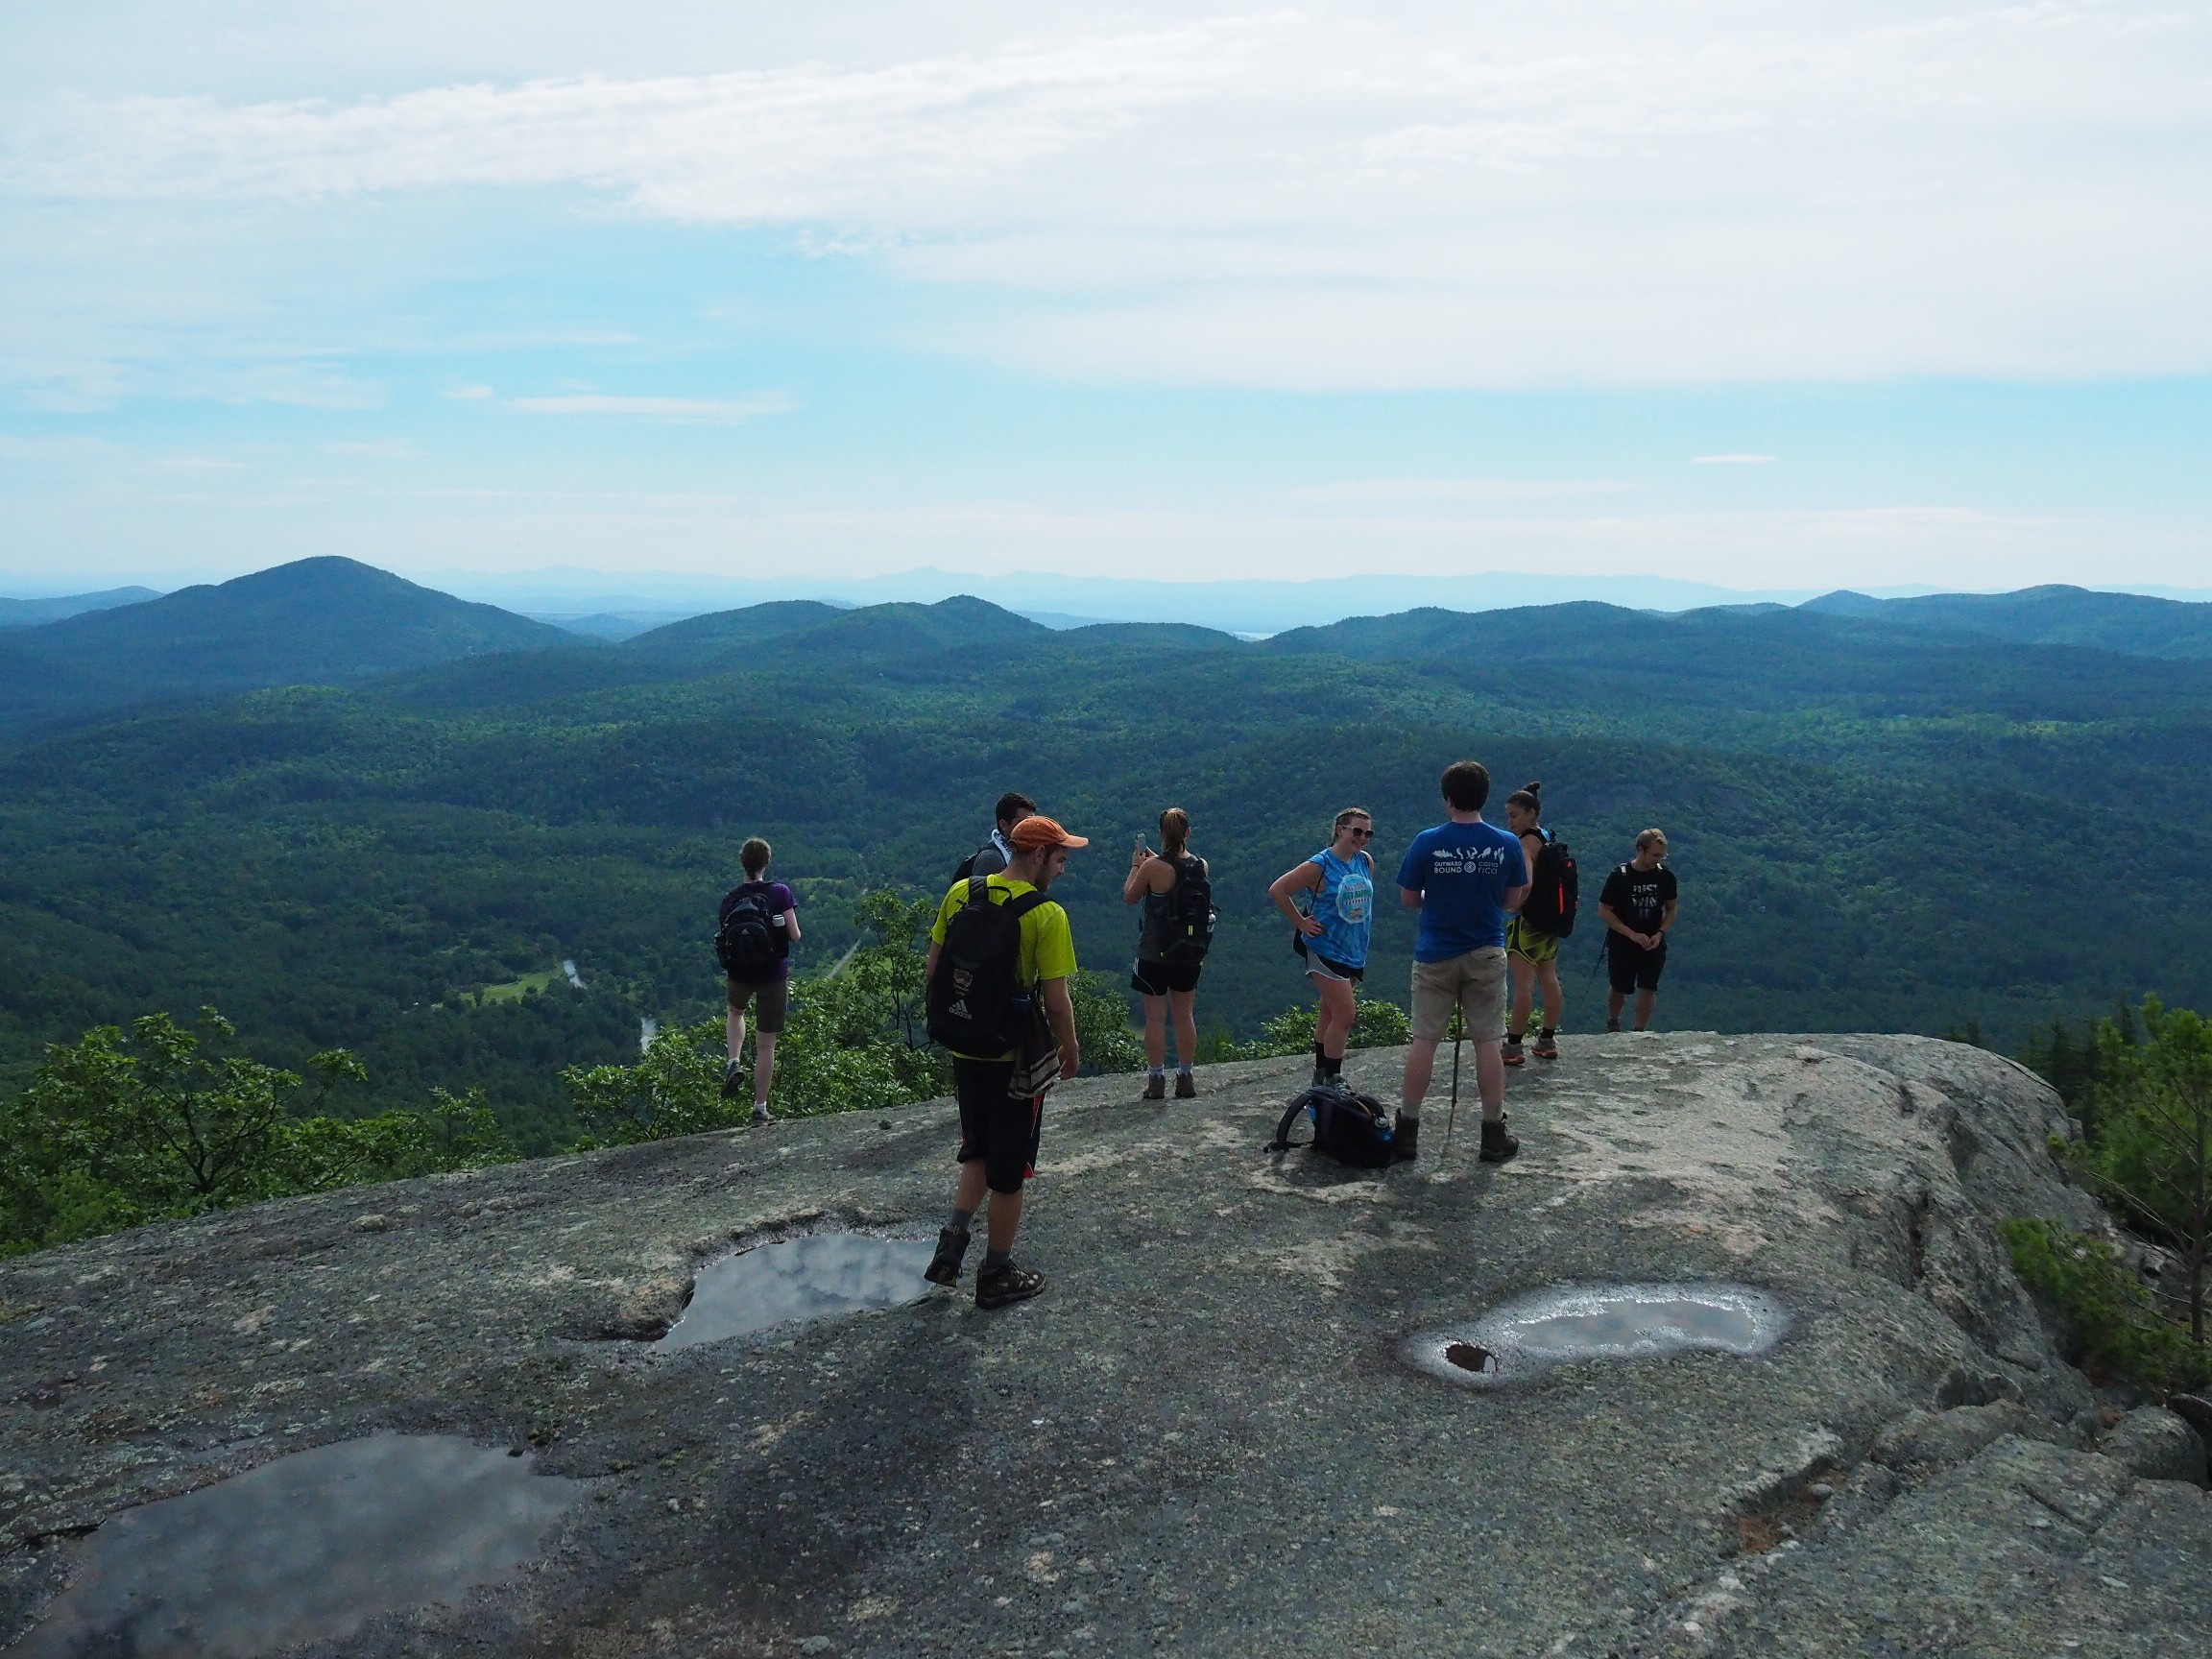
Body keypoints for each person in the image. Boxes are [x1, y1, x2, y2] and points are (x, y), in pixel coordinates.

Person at [923, 814, 1087, 1310]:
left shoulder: (963, 893)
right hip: (1012, 1055)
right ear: (1037, 855)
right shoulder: (1046, 914)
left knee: (976, 1147)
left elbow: (934, 970)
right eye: (1060, 859)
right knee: (1010, 1170)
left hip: (964, 1045)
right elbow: (1056, 1001)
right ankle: (995, 1272)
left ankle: (951, 1246)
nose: (1062, 869)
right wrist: (1069, 1047)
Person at [1394, 761, 1529, 1164]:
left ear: (1447, 798)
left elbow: (1408, 898)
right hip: (1485, 950)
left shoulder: (1427, 841)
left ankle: (1406, 1133)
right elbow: (1512, 900)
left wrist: (1435, 901)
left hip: (1435, 952)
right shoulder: (1507, 843)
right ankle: (1492, 1133)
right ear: (1484, 797)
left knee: (1424, 1041)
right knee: (1487, 1042)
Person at [1267, 807, 1378, 1089]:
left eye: (1368, 833)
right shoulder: (1320, 865)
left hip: (1354, 949)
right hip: (1325, 948)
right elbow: (1278, 889)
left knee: (1329, 1012)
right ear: (1340, 830)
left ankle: (1320, 1072)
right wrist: (1301, 923)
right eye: (1357, 831)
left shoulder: (1364, 861)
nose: (1362, 838)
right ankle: (1332, 1077)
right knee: (1345, 1014)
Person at [1125, 807, 1209, 1099]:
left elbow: (1130, 896)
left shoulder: (1151, 868)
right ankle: (1185, 1077)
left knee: (1155, 1019)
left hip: (1154, 953)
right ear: (1188, 833)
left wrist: (1136, 865)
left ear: (1161, 834)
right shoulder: (1201, 866)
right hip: (1189, 952)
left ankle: (1156, 1079)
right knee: (1184, 1015)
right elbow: (1179, 873)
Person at [718, 837, 801, 1125]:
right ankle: (759, 1108)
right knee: (766, 1045)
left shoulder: (731, 898)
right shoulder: (779, 892)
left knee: (735, 1012)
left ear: (743, 863)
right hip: (772, 974)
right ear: (766, 862)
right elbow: (795, 935)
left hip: (739, 973)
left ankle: (733, 1060)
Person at [1503, 781, 1564, 1066]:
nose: (1510, 821)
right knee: (1549, 977)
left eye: (1514, 815)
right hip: (1549, 921)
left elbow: (1525, 882)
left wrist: (1512, 905)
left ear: (1530, 813)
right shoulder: (1546, 835)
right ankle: (1547, 1040)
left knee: (1523, 986)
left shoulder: (1526, 843)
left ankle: (1514, 1045)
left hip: (1526, 922)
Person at [1599, 829, 1677, 1033]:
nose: (1658, 860)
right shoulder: (1619, 876)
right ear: (1641, 850)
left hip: (1653, 940)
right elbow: (1604, 910)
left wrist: (1660, 933)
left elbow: (1671, 908)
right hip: (1623, 941)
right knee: (1619, 986)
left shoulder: (1665, 877)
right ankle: (1613, 1022)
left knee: (1649, 986)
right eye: (1655, 855)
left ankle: (1639, 1030)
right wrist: (1630, 934)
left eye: (1662, 856)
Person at [955, 791, 1038, 883]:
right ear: (1003, 825)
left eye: (1032, 823)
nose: (1029, 828)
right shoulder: (991, 860)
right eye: (1022, 823)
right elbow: (982, 892)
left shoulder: (1014, 854)